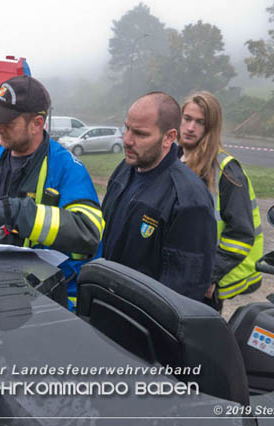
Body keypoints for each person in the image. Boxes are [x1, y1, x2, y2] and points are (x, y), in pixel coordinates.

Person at [0, 75, 104, 310]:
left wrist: (14, 210)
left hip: (41, 304)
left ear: (37, 124)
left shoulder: (66, 168)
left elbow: (88, 231)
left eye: (6, 122)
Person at [101, 91, 216, 302]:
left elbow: (182, 293)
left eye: (140, 134)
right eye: (127, 128)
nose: (127, 140)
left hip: (141, 324)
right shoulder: (124, 171)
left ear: (169, 137)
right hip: (106, 304)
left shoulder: (189, 200)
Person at [179, 91, 263, 311]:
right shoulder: (171, 158)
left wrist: (210, 275)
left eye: (200, 122)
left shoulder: (226, 171)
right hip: (172, 274)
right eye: (187, 119)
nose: (190, 128)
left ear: (211, 127)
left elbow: (241, 234)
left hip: (200, 285)